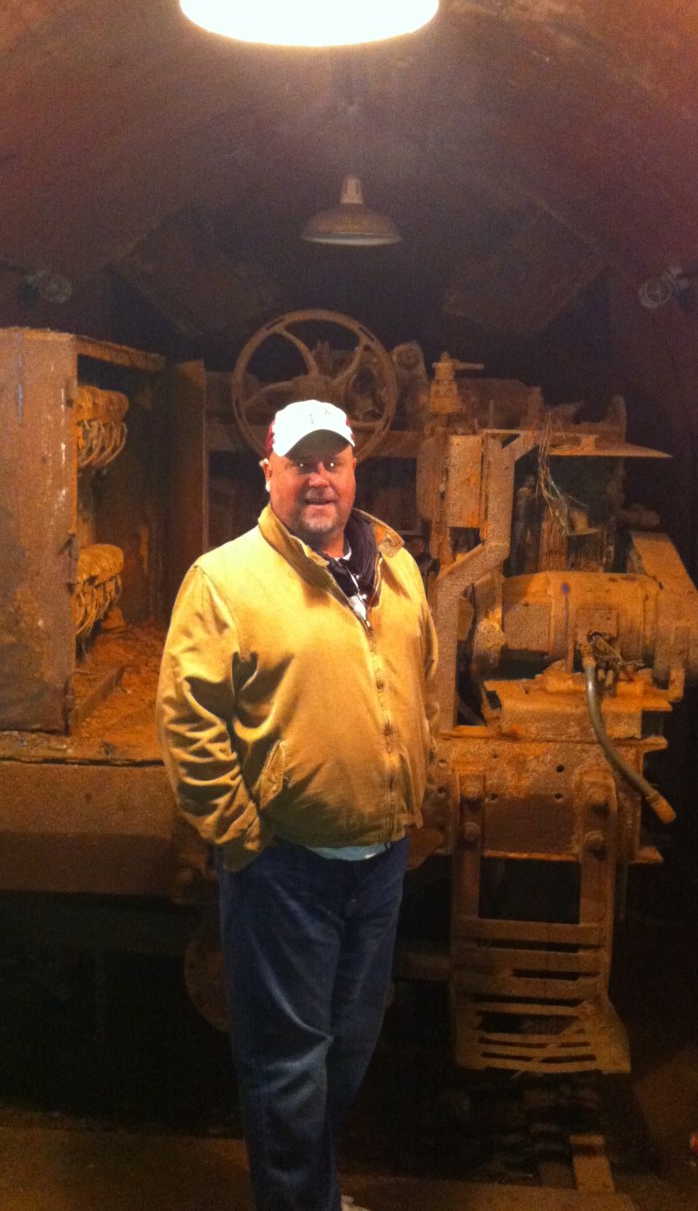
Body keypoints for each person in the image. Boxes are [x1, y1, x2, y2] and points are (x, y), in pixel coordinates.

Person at [157, 398, 438, 1211]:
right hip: (285, 868)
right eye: (300, 464)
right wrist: (242, 835)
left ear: (354, 471)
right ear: (269, 473)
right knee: (287, 1066)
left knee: (347, 1048)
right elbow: (188, 721)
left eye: (333, 462)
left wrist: (414, 782)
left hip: (380, 862)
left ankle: (312, 1193)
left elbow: (417, 681)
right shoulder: (225, 580)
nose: (319, 479)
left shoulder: (395, 566)